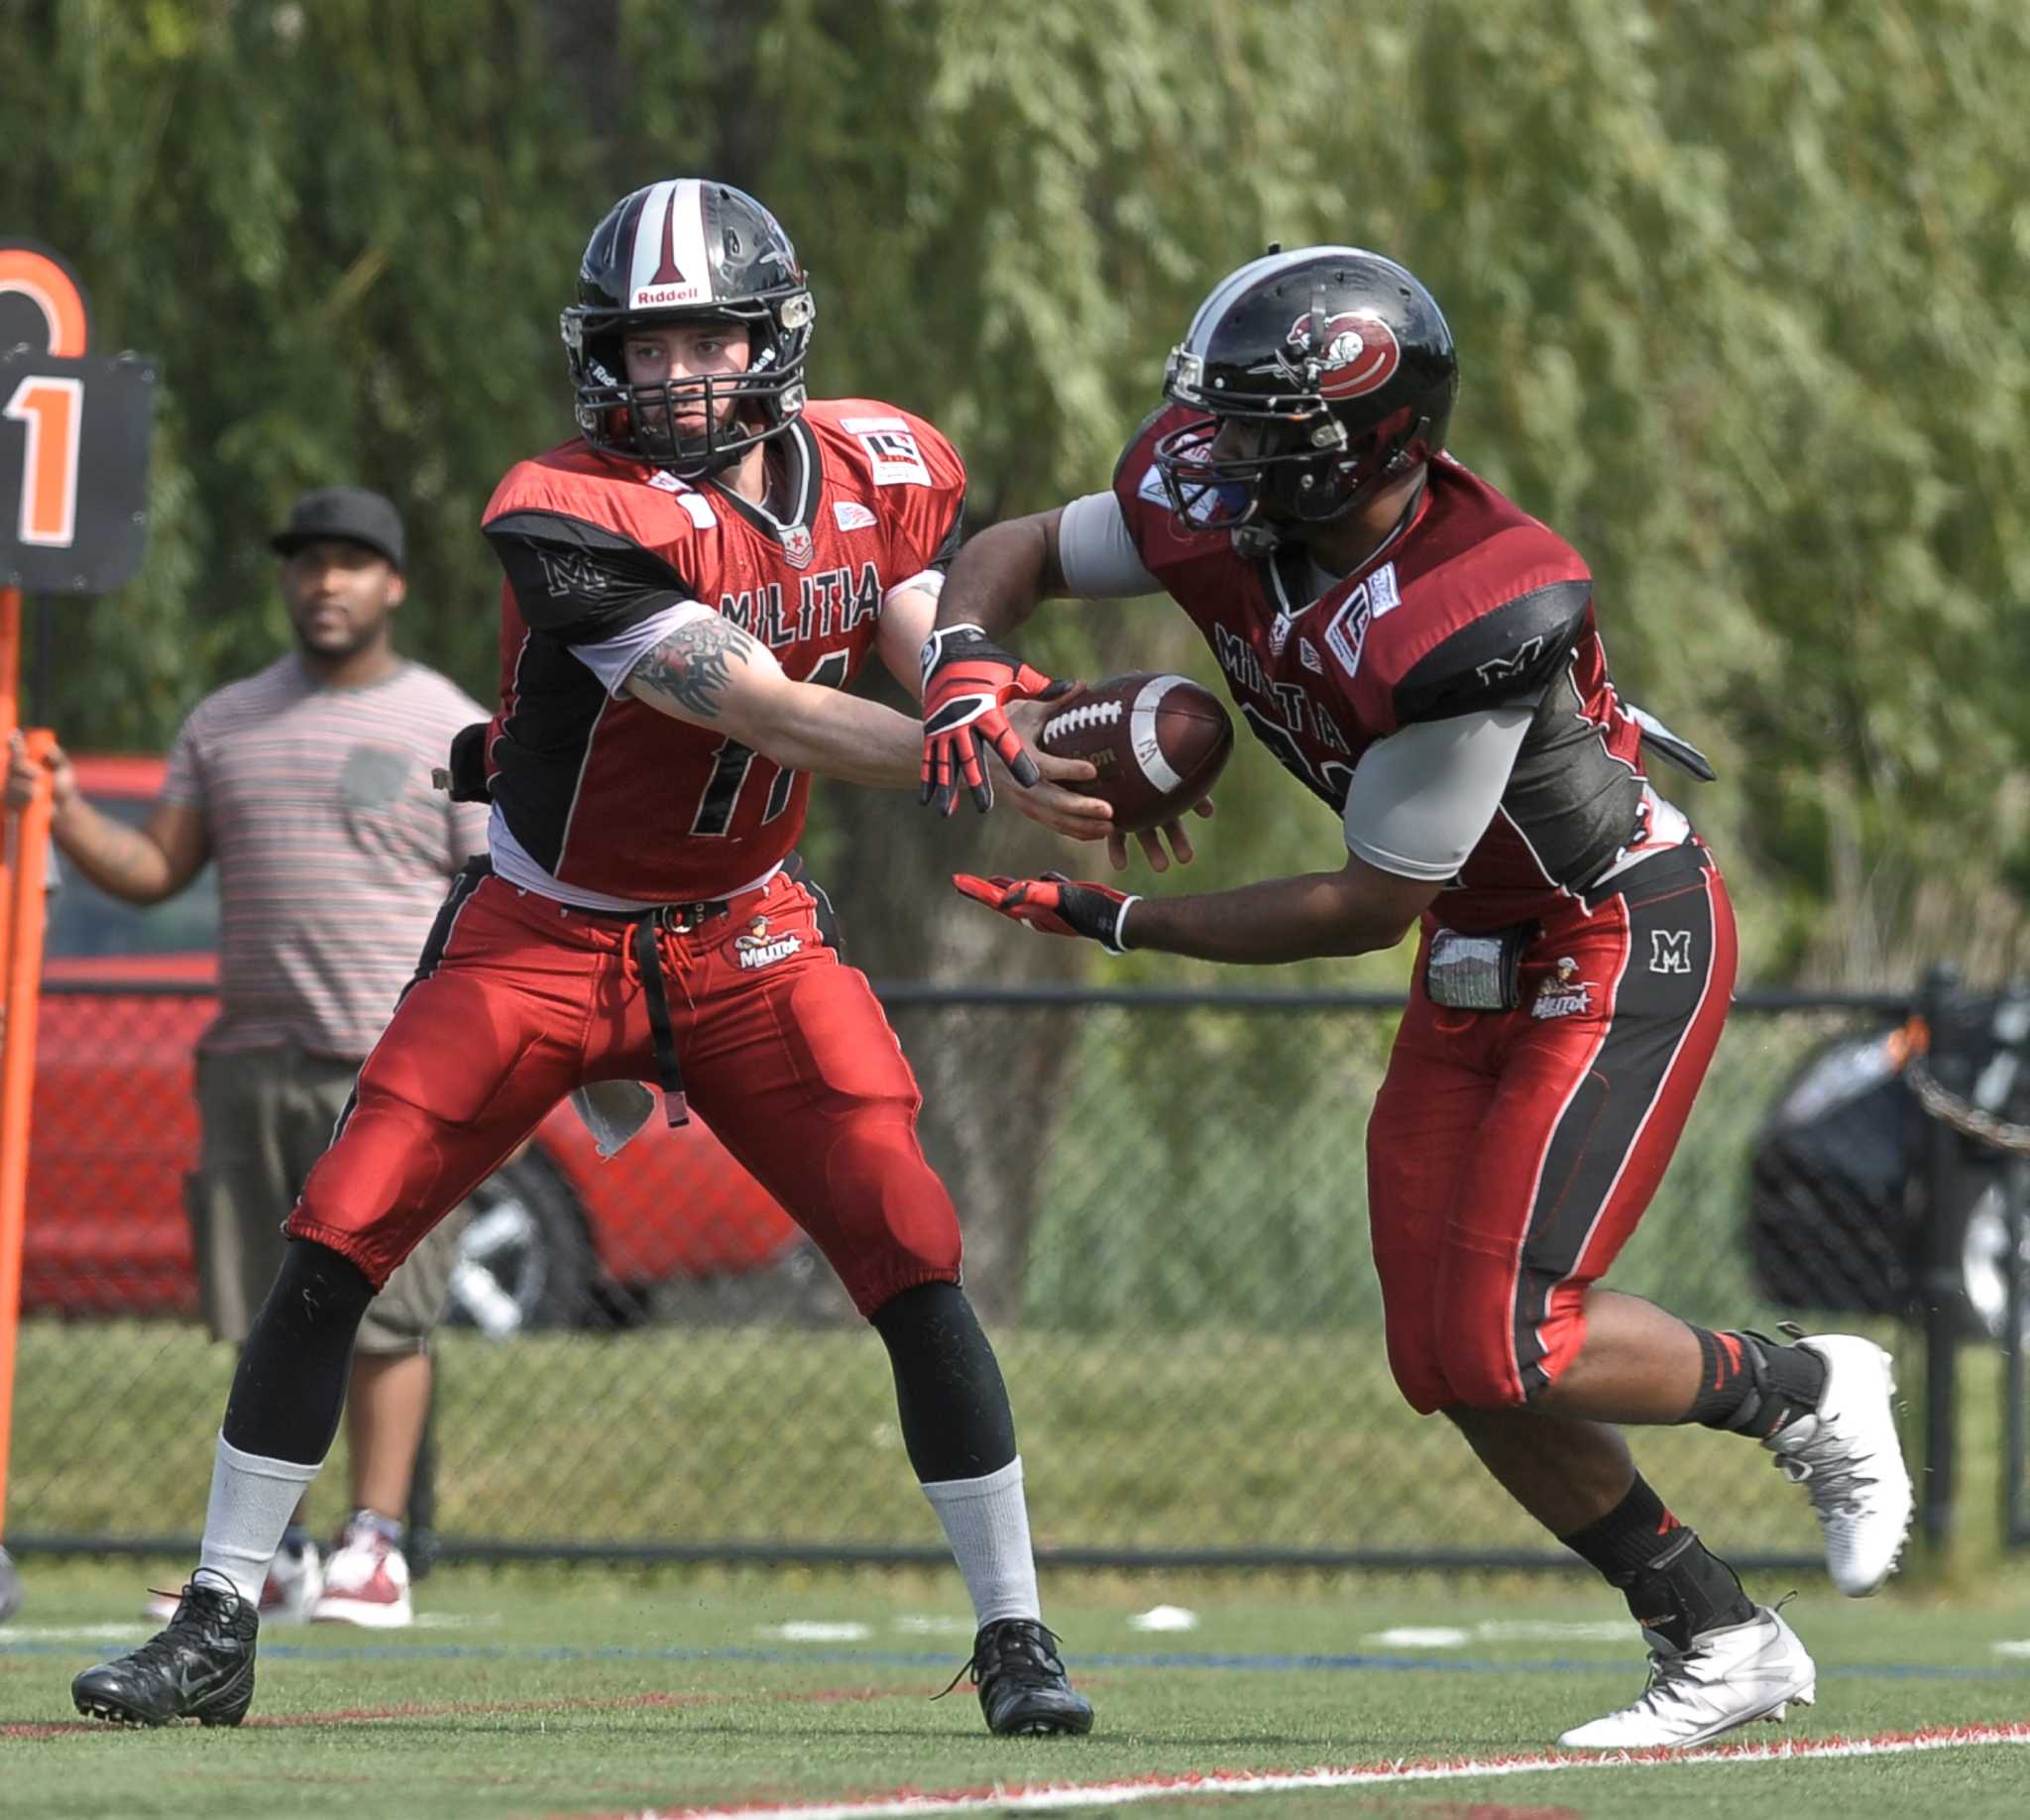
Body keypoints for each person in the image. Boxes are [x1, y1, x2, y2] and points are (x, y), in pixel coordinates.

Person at [71, 177, 1102, 1736]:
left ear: (774, 338)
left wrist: (975, 693)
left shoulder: (882, 461)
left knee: (909, 1243)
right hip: (547, 932)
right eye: (645, 342)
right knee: (336, 1234)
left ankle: (1019, 1637)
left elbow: (910, 609)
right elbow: (751, 701)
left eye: (705, 338)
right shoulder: (564, 505)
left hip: (751, 929)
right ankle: (219, 1617)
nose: (674, 373)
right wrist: (970, 757)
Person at [920, 245, 1915, 1751]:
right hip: (1476, 938)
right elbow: (1012, 550)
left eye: (1266, 435)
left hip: (1608, 930)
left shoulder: (1474, 604)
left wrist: (1127, 919)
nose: (1219, 459)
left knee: (1525, 1334)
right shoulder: (1213, 490)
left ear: (1369, 442)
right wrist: (968, 668)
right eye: (1225, 419)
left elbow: (1357, 902)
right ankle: (1718, 1632)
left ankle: (1801, 1383)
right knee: (1446, 1357)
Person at [8, 486, 488, 1630]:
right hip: (249, 1059)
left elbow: (492, 889)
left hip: (394, 1068)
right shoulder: (225, 723)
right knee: (266, 1316)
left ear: (393, 585)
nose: (326, 583)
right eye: (307, 563)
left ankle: (377, 1547)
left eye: (351, 563)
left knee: (388, 1313)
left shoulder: (452, 725)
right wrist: (63, 811)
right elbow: (152, 870)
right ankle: (273, 1553)